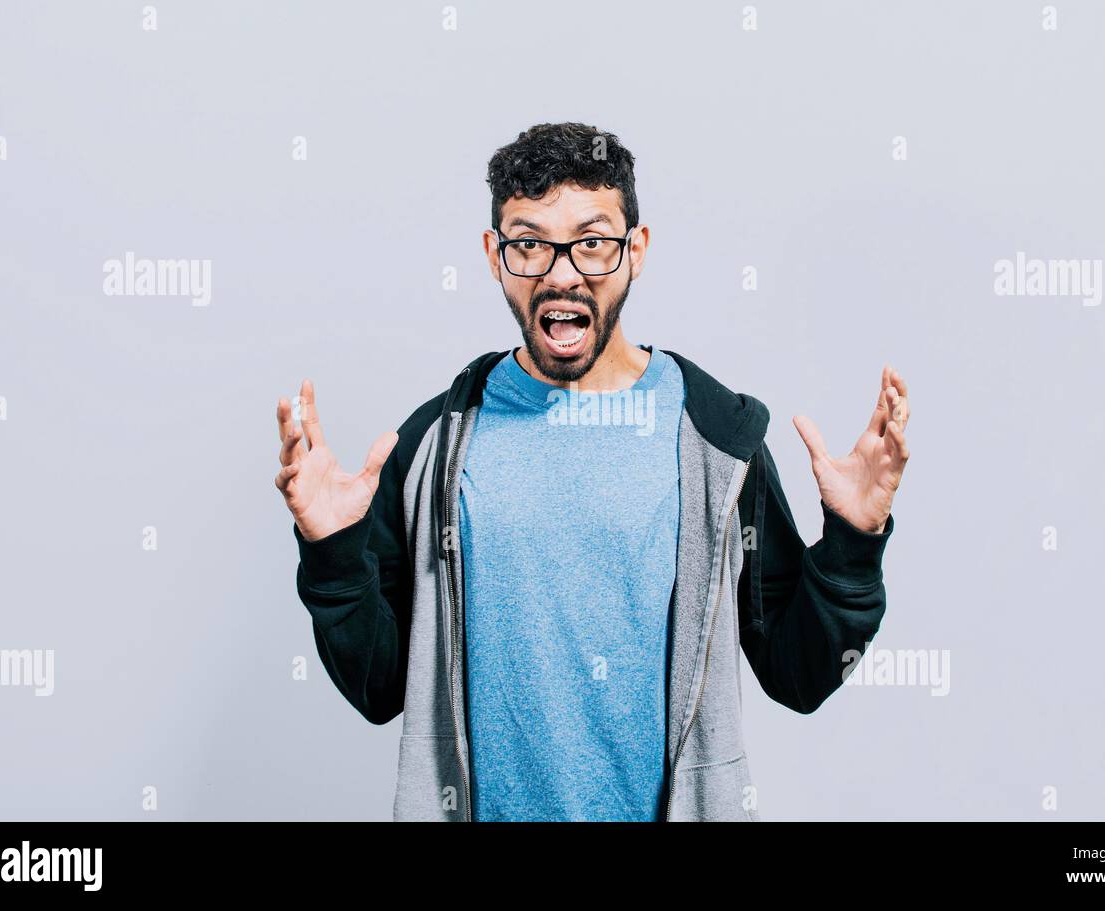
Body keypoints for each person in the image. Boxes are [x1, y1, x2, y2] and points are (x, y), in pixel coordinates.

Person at [273, 122, 911, 821]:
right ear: (494, 255)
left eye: (593, 242)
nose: (561, 272)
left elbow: (801, 673)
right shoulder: (432, 447)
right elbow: (377, 686)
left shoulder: (717, 441)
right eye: (529, 243)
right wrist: (334, 554)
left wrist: (853, 541)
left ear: (636, 250)